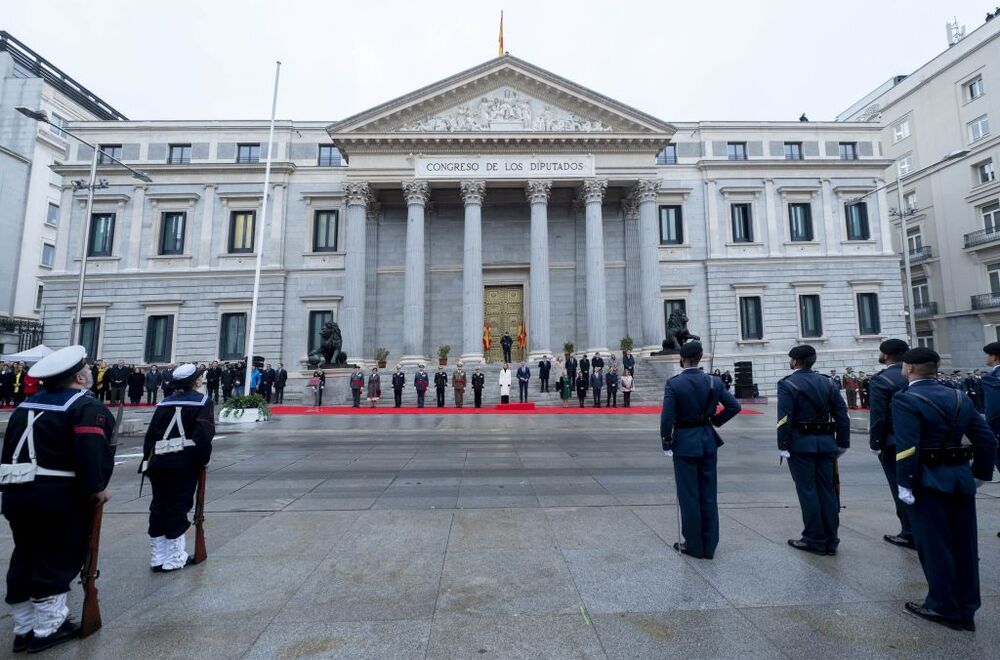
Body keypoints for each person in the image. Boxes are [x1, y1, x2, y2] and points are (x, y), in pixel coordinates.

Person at [1, 345, 114, 653]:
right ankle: (48, 627)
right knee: (57, 556)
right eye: (87, 369)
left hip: (16, 493)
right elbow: (91, 453)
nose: (90, 372)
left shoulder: (25, 406)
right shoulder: (84, 407)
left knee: (26, 554)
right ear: (79, 377)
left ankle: (24, 627)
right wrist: (97, 487)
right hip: (57, 497)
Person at [893, 347, 996, 632]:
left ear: (910, 369)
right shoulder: (958, 396)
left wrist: (904, 484)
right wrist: (980, 475)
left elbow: (907, 448)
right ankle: (967, 607)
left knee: (935, 545)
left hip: (927, 480)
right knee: (964, 545)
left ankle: (943, 605)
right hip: (960, 479)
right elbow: (985, 439)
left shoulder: (906, 399)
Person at [661, 341, 742, 559]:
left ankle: (694, 545)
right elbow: (734, 406)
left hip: (685, 442)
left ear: (682, 359)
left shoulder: (674, 384)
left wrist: (666, 441)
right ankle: (710, 544)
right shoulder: (714, 382)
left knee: (689, 495)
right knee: (708, 494)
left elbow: (667, 417)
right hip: (707, 439)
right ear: (699, 358)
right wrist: (715, 420)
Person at [777, 345, 850, 556]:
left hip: (801, 444)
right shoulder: (827, 382)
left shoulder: (788, 383)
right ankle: (831, 538)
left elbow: (784, 419)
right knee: (828, 491)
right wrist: (842, 442)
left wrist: (782, 446)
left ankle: (814, 538)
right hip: (827, 443)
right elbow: (841, 414)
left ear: (795, 361)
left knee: (808, 491)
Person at [141, 364, 214, 575]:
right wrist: (203, 461)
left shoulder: (164, 402)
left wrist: (148, 460)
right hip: (184, 461)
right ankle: (174, 557)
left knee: (158, 505)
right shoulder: (202, 402)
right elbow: (203, 436)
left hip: (158, 462)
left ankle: (158, 555)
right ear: (196, 381)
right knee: (178, 506)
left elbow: (151, 435)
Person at [868, 339, 915, 550]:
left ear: (886, 355)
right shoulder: (917, 376)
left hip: (894, 442)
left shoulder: (882, 380)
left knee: (900, 487)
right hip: (922, 440)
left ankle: (908, 532)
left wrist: (875, 442)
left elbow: (878, 416)